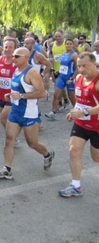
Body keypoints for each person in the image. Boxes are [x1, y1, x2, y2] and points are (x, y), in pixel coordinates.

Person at [0, 47, 55, 179]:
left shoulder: (32, 72)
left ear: (26, 58)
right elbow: (16, 89)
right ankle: (7, 169)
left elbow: (41, 93)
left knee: (32, 143)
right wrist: (10, 95)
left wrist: (20, 96)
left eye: (17, 56)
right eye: (13, 55)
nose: (13, 58)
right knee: (9, 140)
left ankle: (47, 154)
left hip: (29, 114)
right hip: (15, 112)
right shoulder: (16, 70)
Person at [58, 52, 99, 197]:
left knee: (96, 158)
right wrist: (74, 112)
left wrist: (85, 113)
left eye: (85, 66)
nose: (81, 69)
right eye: (79, 66)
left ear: (95, 65)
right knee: (73, 150)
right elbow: (80, 101)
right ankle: (76, 186)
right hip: (81, 124)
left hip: (97, 127)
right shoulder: (79, 78)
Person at [45, 39, 78, 120]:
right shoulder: (63, 54)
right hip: (61, 77)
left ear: (73, 45)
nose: (68, 45)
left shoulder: (74, 55)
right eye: (67, 44)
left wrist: (72, 78)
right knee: (56, 95)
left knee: (71, 96)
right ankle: (53, 112)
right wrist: (58, 71)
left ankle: (77, 112)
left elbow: (78, 68)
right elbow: (63, 66)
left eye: (70, 44)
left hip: (69, 78)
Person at [0, 38, 18, 128]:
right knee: (6, 120)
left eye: (10, 47)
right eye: (6, 47)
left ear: (15, 49)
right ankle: (12, 137)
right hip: (1, 95)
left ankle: (12, 137)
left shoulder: (17, 62)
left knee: (3, 118)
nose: (8, 49)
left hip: (12, 97)